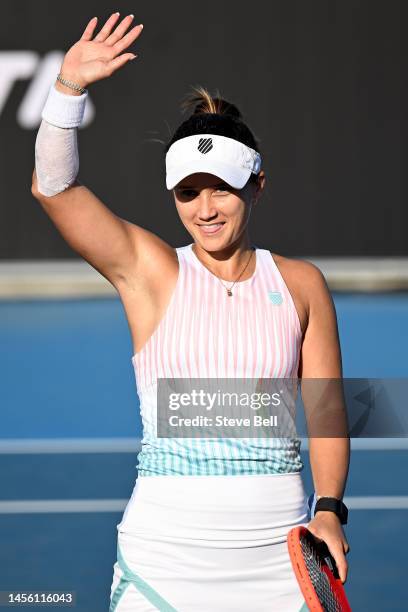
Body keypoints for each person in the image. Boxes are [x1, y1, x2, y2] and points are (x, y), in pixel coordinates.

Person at [31, 12, 350, 612]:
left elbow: (328, 412)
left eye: (222, 188)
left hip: (278, 559)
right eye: (187, 192)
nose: (205, 209)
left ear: (257, 184)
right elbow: (53, 188)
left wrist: (329, 510)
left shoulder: (303, 285)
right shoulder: (151, 271)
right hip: (166, 558)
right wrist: (66, 91)